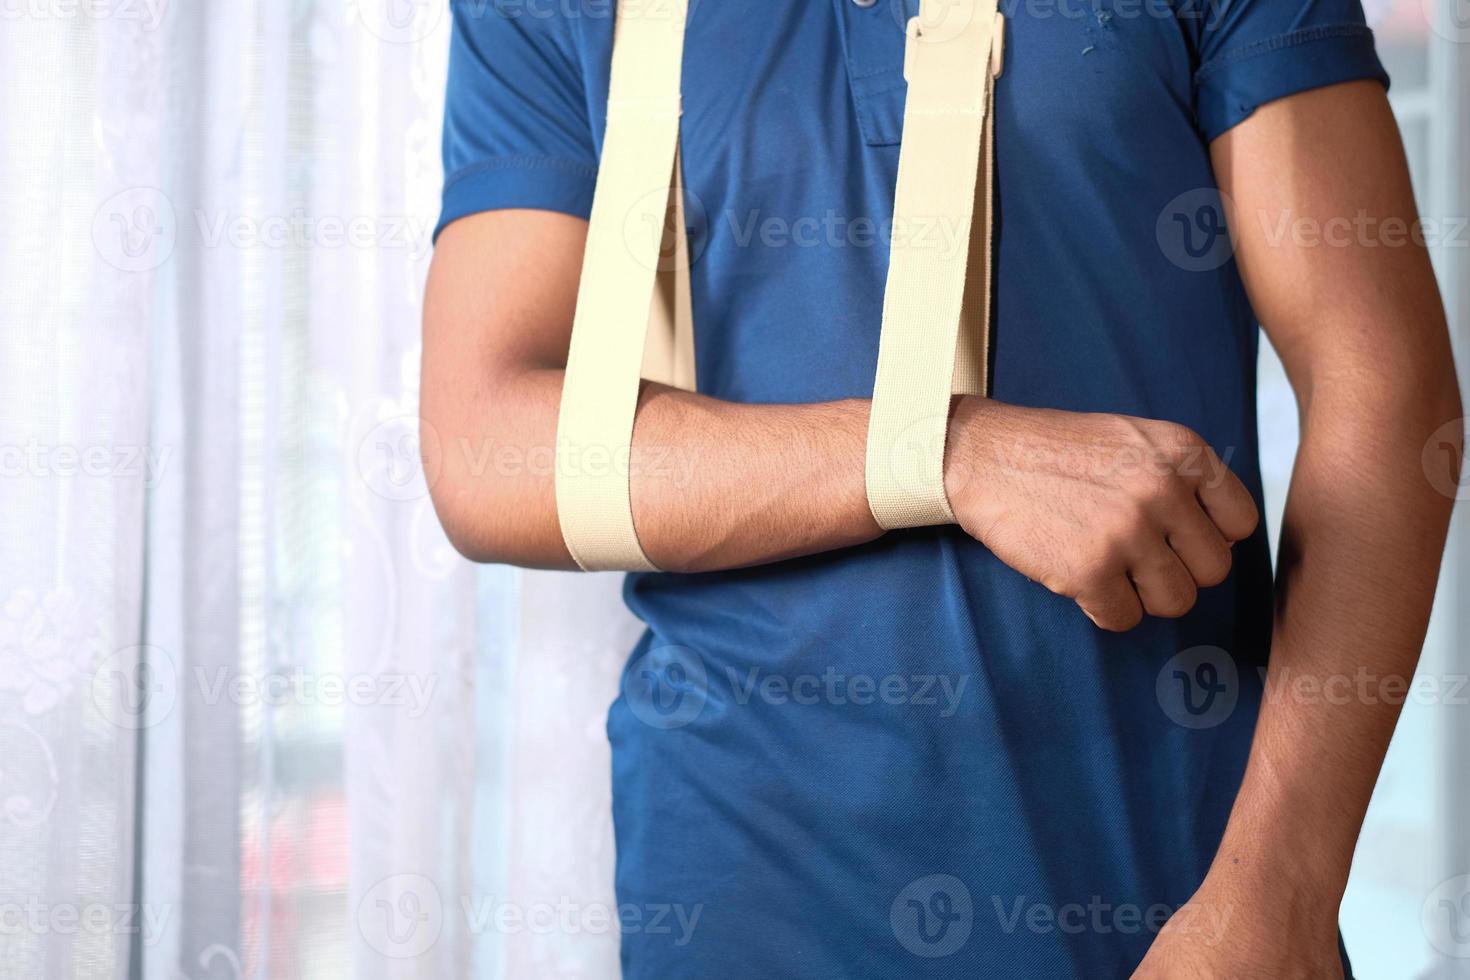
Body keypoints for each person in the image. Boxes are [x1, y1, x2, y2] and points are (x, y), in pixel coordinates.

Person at [421, 0, 1462, 975]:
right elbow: (482, 443)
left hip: (1170, 905)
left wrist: (1277, 896)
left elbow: (1385, 392)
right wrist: (949, 452)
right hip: (739, 899)